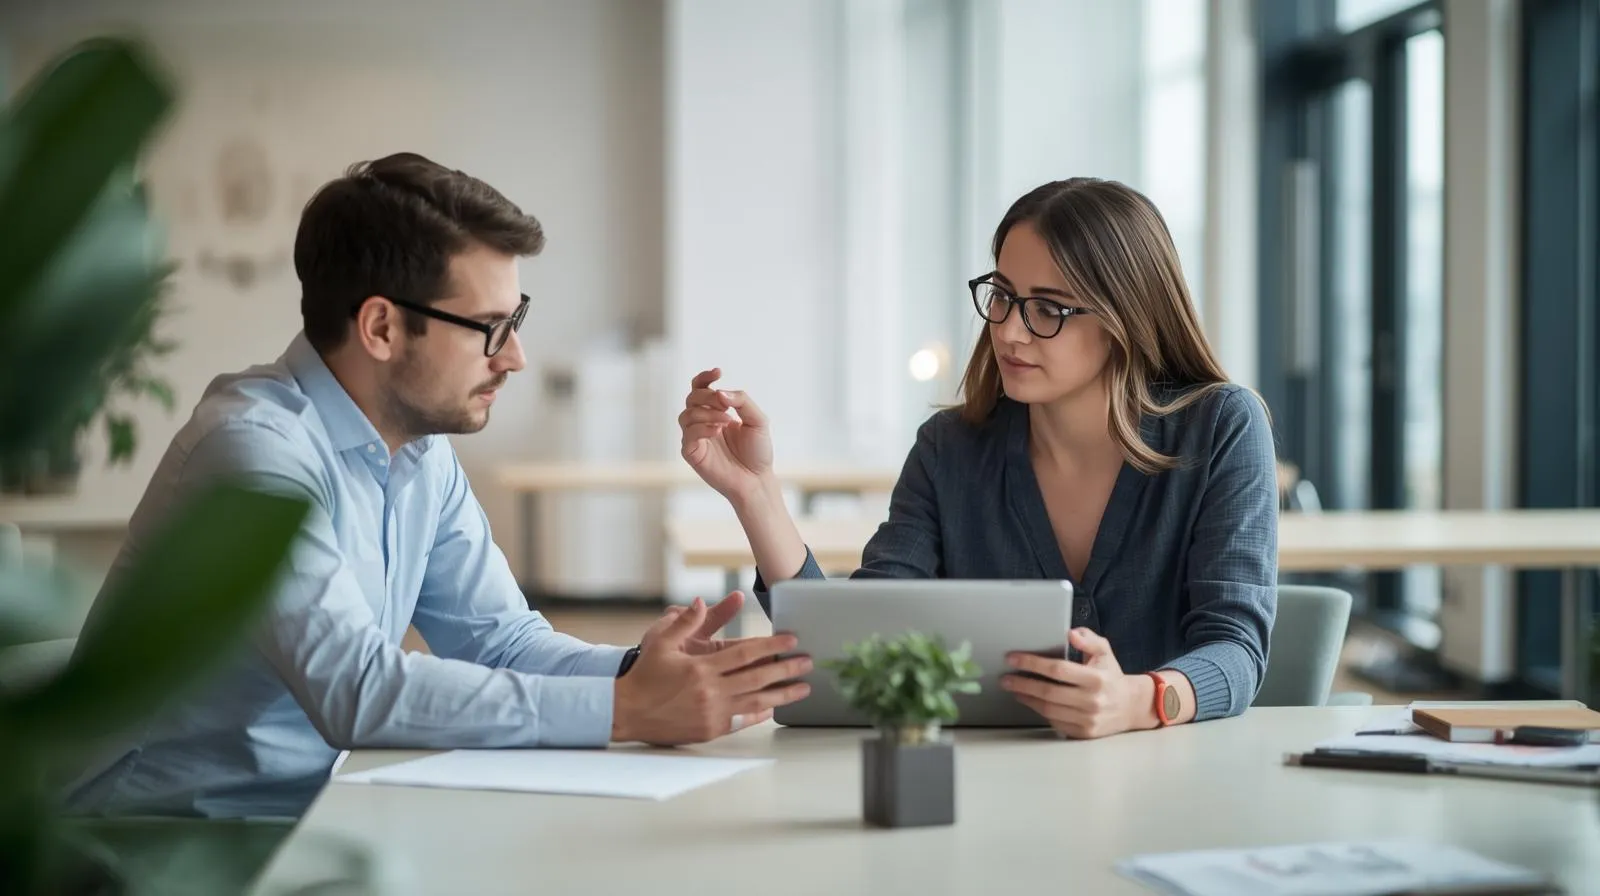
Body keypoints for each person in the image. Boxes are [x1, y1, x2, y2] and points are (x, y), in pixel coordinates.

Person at [65, 153, 810, 819]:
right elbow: (356, 691)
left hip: (303, 813)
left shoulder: (418, 455)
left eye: (515, 319)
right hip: (153, 833)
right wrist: (626, 707)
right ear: (382, 328)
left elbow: (502, 641)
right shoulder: (252, 454)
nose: (515, 357)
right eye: (489, 326)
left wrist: (642, 671)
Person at [678, 177, 1277, 741]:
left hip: (1168, 788)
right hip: (984, 791)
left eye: (1049, 309)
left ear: (1126, 317)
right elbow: (863, 642)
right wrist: (756, 493)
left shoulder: (1222, 426)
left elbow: (1236, 649)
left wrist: (1140, 700)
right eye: (1004, 297)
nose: (1011, 331)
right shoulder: (949, 449)